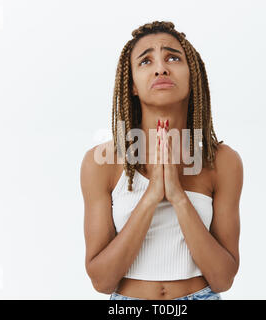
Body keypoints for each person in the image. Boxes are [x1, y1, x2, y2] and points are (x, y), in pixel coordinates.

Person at [80, 21, 243, 300]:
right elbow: (102, 281)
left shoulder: (223, 162)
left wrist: (178, 196)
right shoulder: (101, 163)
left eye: (172, 57)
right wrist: (152, 195)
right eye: (146, 61)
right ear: (131, 84)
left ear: (192, 76)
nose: (160, 68)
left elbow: (223, 278)